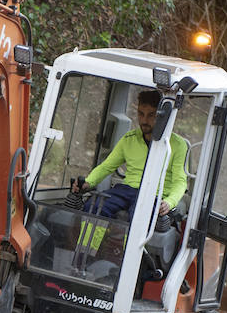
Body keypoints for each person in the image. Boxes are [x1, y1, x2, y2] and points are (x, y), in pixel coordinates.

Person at [73, 89, 188, 219]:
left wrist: (169, 202)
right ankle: (89, 240)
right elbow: (107, 166)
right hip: (126, 190)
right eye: (141, 114)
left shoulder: (177, 145)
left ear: (162, 115)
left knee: (139, 215)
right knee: (93, 206)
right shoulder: (129, 139)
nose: (144, 120)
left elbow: (180, 181)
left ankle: (129, 241)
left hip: (154, 195)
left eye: (151, 115)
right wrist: (88, 182)